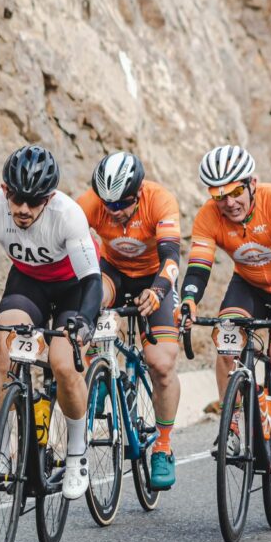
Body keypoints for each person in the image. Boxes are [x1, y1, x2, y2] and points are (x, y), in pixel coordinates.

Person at [0, 145, 102, 500]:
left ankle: (76, 454)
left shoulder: (68, 215)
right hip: (29, 283)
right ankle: (2, 453)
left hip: (73, 288)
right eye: (17, 198)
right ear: (5, 190)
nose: (23, 209)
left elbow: (92, 282)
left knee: (63, 364)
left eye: (34, 202)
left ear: (49, 198)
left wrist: (84, 320)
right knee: (5, 349)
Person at [178, 145, 271, 481]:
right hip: (249, 287)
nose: (229, 202)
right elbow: (198, 267)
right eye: (219, 195)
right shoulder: (208, 216)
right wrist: (188, 299)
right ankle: (235, 426)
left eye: (236, 191)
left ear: (252, 183)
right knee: (227, 345)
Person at [76, 151, 182, 489]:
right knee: (88, 308)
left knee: (161, 364)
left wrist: (159, 292)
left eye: (122, 203)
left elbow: (171, 258)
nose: (114, 210)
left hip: (154, 277)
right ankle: (98, 373)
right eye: (108, 204)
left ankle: (163, 447)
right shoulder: (92, 203)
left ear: (138, 193)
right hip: (114, 273)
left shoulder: (159, 200)